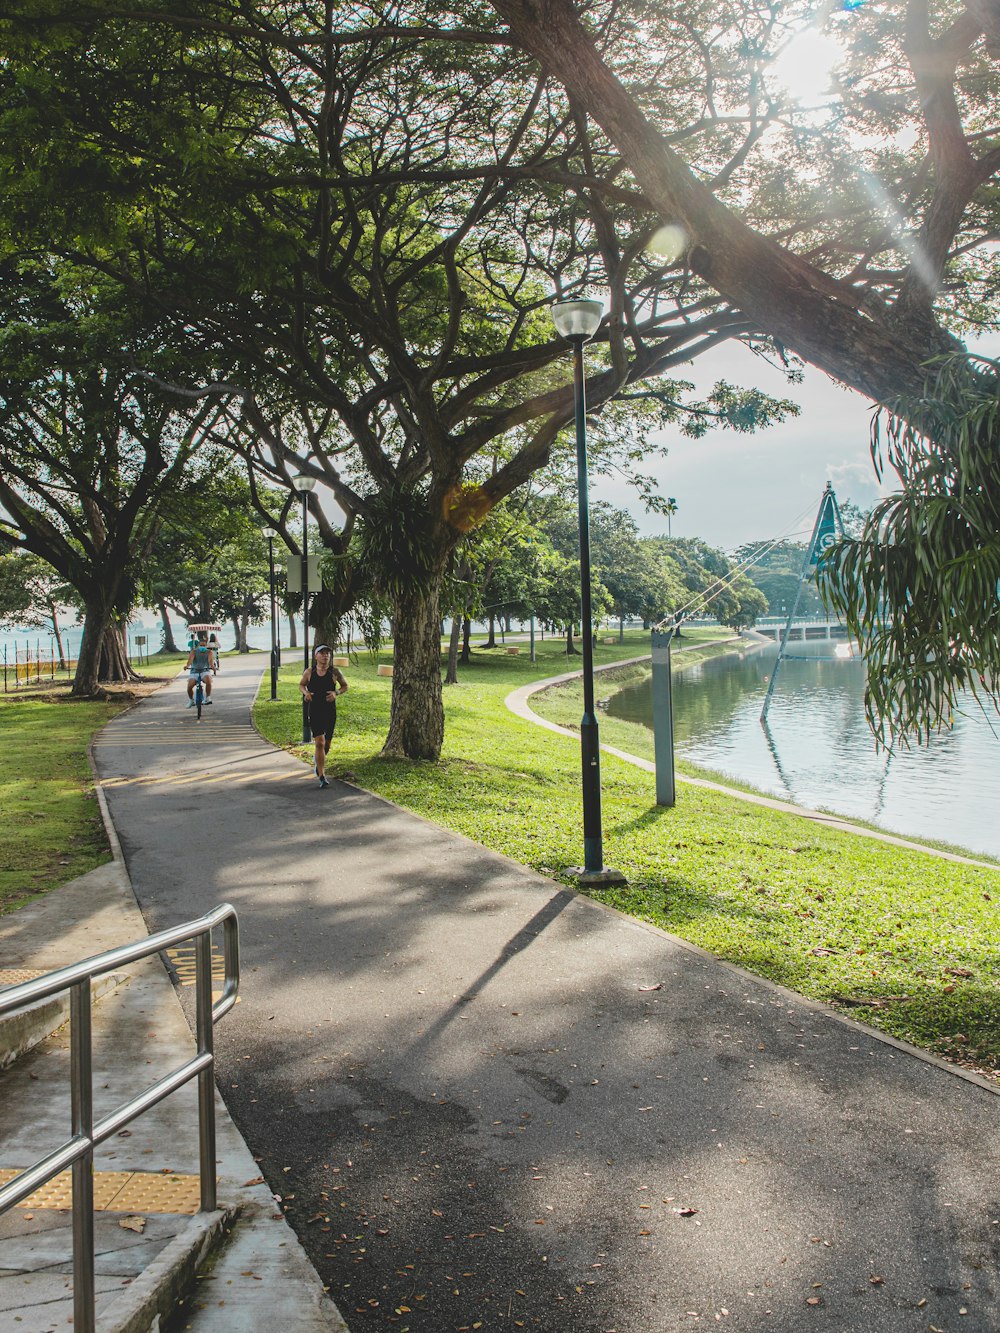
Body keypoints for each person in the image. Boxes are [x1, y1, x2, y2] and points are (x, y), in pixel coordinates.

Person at [299, 645, 347, 788]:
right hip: (314, 709)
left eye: (327, 654)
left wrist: (336, 693)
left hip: (330, 711)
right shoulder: (309, 672)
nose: (325, 656)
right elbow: (301, 685)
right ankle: (321, 775)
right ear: (316, 656)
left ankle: (318, 763)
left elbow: (345, 686)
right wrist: (306, 693)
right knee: (319, 742)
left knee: (326, 744)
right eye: (322, 653)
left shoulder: (335, 672)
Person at [185, 632, 214, 706]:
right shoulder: (194, 652)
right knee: (189, 686)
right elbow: (190, 660)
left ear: (206, 646)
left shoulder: (209, 652)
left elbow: (210, 661)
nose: (202, 647)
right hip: (194, 671)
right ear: (198, 645)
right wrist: (187, 666)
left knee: (208, 681)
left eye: (204, 645)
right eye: (201, 645)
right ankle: (191, 700)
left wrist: (213, 667)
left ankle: (208, 697)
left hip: (204, 671)